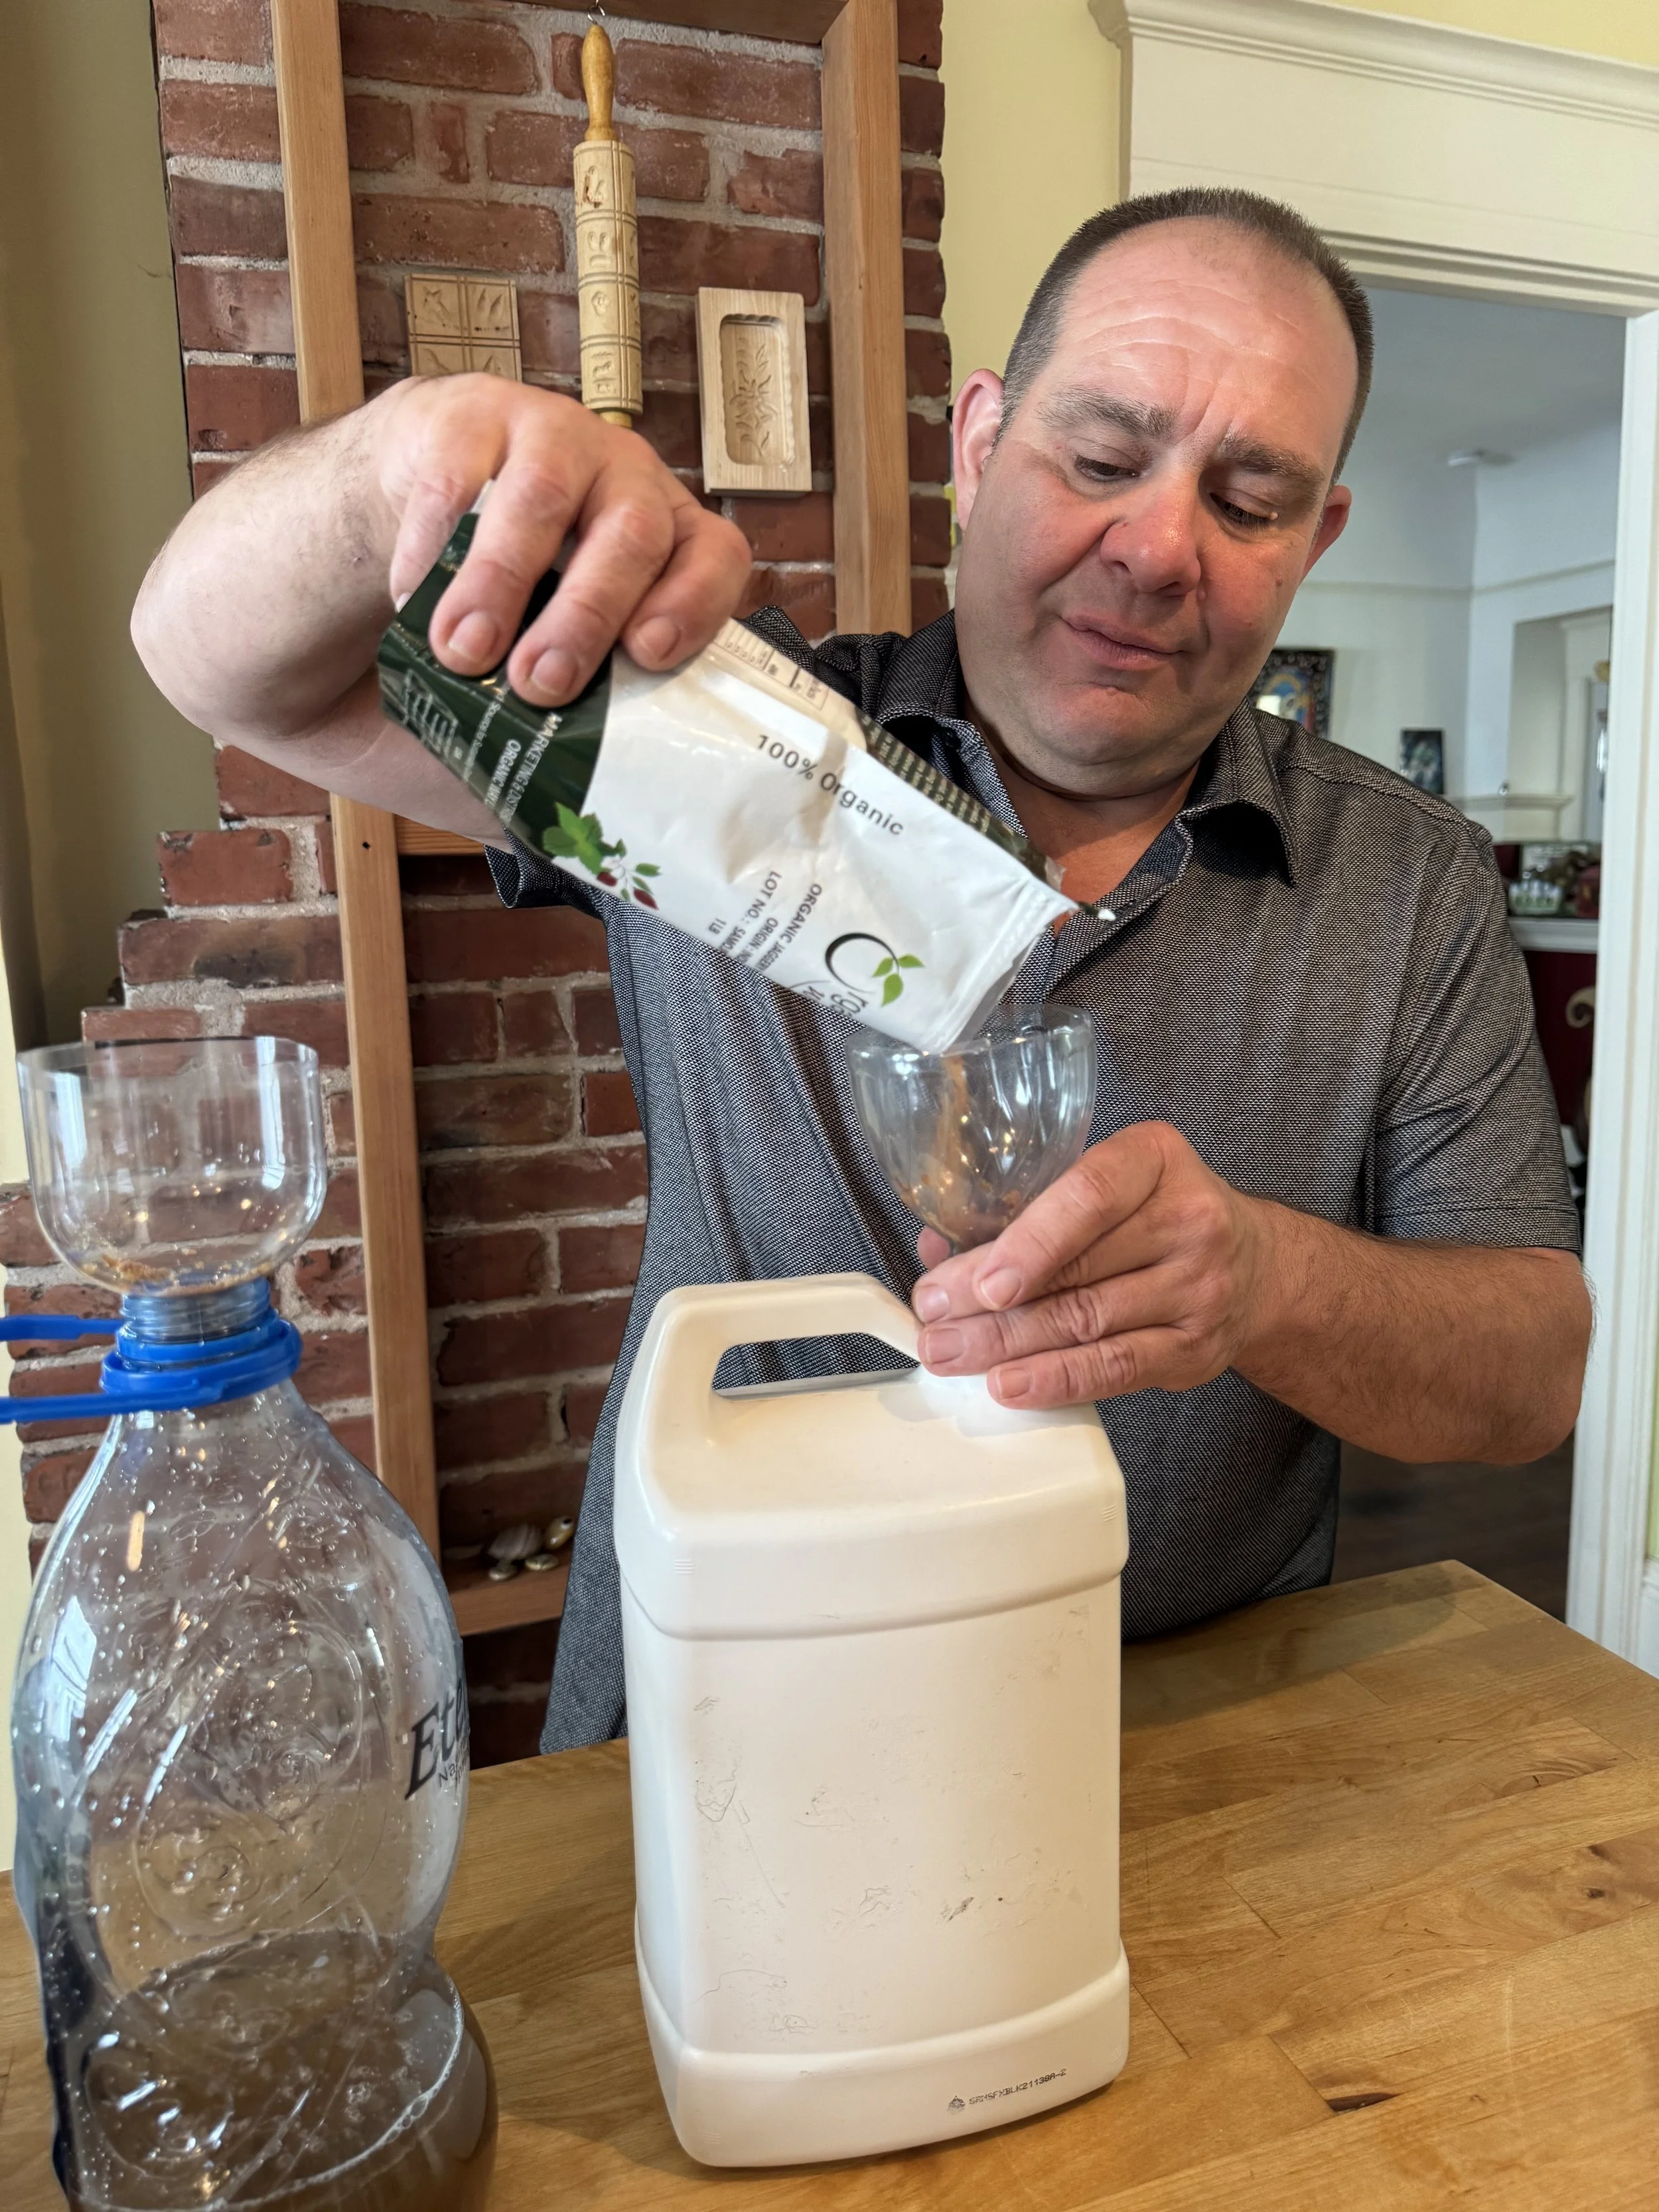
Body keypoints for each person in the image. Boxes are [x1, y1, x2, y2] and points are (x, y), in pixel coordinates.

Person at [133, 188, 1591, 1751]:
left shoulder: (1406, 877)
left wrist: (1260, 1278)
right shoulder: (717, 741)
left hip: (1184, 1755)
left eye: (1247, 502)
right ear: (979, 442)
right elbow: (220, 668)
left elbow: (1526, 1379)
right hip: (720, 1715)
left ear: (1315, 536)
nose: (1158, 547)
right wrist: (392, 469)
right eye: (1101, 460)